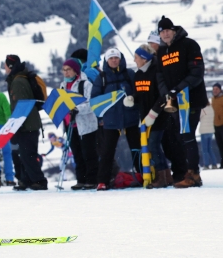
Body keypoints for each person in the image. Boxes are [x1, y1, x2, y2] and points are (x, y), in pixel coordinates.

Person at [156, 16, 208, 188]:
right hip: (175, 101)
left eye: (167, 30)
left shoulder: (189, 45)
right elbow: (160, 76)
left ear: (174, 30)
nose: (165, 34)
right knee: (181, 136)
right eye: (162, 32)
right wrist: (167, 93)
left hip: (191, 99)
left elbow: (197, 72)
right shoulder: (162, 51)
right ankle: (188, 172)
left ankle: (193, 174)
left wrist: (178, 89)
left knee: (188, 135)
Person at [91, 48, 141, 191]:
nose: (114, 60)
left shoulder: (129, 74)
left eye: (116, 58)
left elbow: (137, 92)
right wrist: (101, 116)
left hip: (130, 117)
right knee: (107, 152)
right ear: (107, 61)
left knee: (136, 148)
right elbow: (95, 100)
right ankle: (102, 181)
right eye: (111, 58)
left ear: (120, 59)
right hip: (111, 120)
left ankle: (143, 174)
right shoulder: (101, 78)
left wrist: (134, 100)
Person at [4, 55, 47, 190]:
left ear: (10, 67)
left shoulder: (17, 82)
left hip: (26, 123)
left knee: (28, 154)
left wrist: (17, 125)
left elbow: (20, 106)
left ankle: (39, 181)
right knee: (24, 153)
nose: (4, 69)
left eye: (5, 66)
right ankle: (27, 180)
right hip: (28, 122)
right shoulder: (20, 78)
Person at [131, 44, 171, 188]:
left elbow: (162, 95)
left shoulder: (156, 72)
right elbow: (139, 94)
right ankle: (166, 175)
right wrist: (132, 99)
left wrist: (153, 113)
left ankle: (162, 176)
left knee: (154, 145)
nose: (134, 60)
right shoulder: (138, 74)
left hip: (159, 116)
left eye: (136, 57)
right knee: (153, 145)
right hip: (145, 117)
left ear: (143, 58)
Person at [60, 58, 99, 190]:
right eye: (64, 70)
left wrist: (77, 109)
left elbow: (91, 104)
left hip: (85, 124)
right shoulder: (62, 86)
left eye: (68, 70)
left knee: (88, 153)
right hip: (69, 124)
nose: (66, 73)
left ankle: (92, 179)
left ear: (75, 70)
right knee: (77, 153)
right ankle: (81, 179)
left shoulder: (85, 84)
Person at [212, 83, 223, 168]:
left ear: (220, 90)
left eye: (216, 89)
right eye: (214, 89)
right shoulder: (212, 99)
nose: (215, 91)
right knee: (220, 145)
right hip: (215, 125)